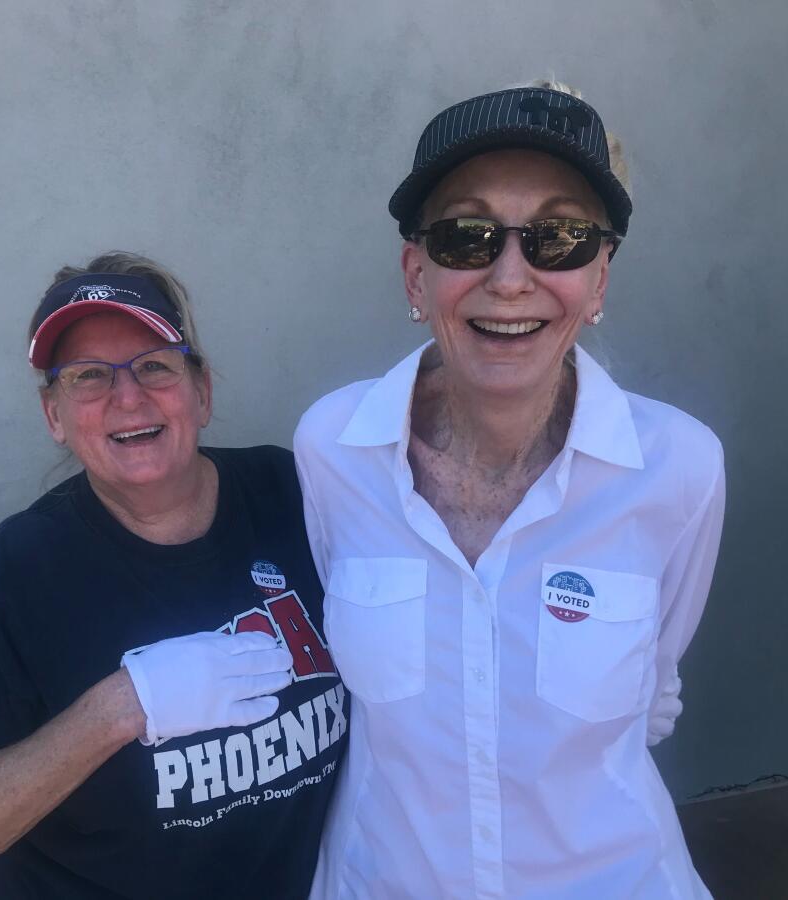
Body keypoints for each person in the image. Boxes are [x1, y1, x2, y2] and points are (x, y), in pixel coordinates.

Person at [295, 83, 724, 899]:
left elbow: (653, 692)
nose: (511, 276)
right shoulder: (332, 449)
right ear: (416, 275)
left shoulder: (679, 467)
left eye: (560, 238)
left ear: (599, 280)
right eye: (467, 236)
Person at [0, 253, 347, 898]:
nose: (128, 398)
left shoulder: (293, 495)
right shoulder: (24, 567)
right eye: (88, 377)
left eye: (154, 366)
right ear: (54, 417)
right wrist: (122, 707)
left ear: (201, 391)